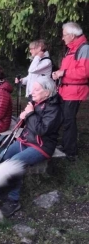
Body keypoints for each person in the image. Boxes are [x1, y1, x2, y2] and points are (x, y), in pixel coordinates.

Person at [0, 75, 63, 217]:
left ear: (47, 92)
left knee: (15, 162)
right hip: (27, 140)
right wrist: (23, 117)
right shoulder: (36, 103)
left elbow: (41, 130)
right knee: (2, 155)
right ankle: (4, 187)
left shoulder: (54, 109)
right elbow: (28, 123)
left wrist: (29, 114)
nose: (31, 92)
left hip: (42, 146)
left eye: (36, 90)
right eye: (32, 89)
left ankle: (13, 200)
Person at [52, 22, 89, 162]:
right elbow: (68, 70)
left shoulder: (84, 49)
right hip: (65, 90)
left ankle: (70, 152)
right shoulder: (71, 49)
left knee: (69, 120)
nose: (62, 38)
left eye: (64, 35)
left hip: (75, 91)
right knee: (64, 119)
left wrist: (63, 73)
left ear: (72, 35)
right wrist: (58, 75)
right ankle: (66, 145)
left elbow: (84, 72)